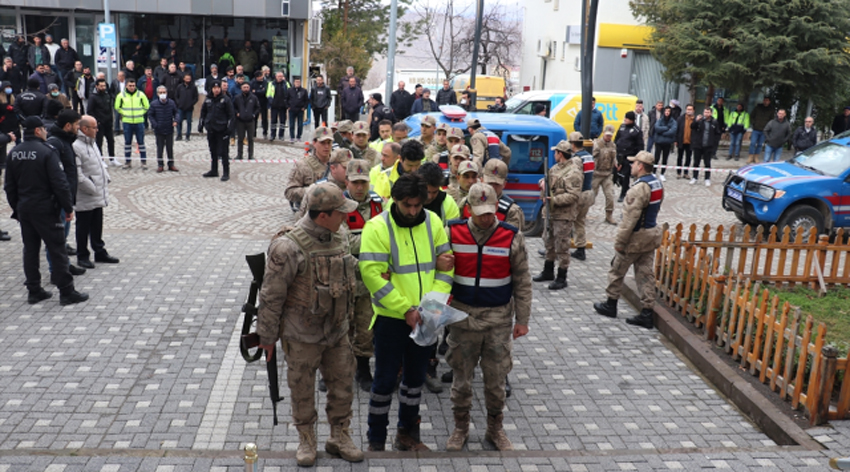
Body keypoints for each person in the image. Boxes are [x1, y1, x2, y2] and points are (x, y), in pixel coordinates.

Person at [257, 182, 363, 467]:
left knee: (343, 387)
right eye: (340, 212)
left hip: (337, 332)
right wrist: (266, 338)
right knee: (302, 389)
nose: (346, 217)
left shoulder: (338, 234)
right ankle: (307, 439)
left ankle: (339, 436)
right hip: (302, 335)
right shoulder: (288, 246)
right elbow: (270, 296)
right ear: (323, 214)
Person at [359, 171, 454, 452]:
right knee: (385, 381)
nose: (413, 211)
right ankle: (376, 439)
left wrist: (431, 309)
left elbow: (446, 269)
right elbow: (372, 276)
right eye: (407, 205)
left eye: (417, 205)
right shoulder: (377, 228)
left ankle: (408, 435)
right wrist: (406, 309)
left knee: (414, 381)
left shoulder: (433, 221)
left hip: (425, 318)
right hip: (391, 319)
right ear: (395, 200)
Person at [445, 182, 531, 452]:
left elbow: (523, 281)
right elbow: (438, 276)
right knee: (461, 381)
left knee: (496, 381)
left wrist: (523, 320)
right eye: (479, 212)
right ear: (468, 208)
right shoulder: (452, 232)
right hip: (462, 317)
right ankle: (460, 428)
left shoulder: (511, 236)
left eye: (490, 212)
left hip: (498, 319)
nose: (485, 217)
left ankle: (495, 429)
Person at [4, 116, 89, 306]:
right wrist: (68, 207)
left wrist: (17, 208)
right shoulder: (47, 152)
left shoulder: (14, 153)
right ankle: (66, 291)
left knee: (30, 250)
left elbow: (9, 186)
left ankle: (34, 290)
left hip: (25, 209)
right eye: (43, 128)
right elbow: (59, 184)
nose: (46, 131)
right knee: (57, 248)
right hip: (46, 209)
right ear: (37, 130)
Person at [594, 150, 663, 330]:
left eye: (633, 163)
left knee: (617, 269)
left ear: (640, 166)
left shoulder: (639, 188)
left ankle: (611, 304)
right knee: (645, 273)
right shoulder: (657, 183)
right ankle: (647, 312)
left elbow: (629, 220)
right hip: (651, 233)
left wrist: (620, 242)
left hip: (636, 237)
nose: (631, 166)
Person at [340, 159, 385, 393]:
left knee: (366, 329)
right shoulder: (338, 205)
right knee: (340, 328)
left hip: (369, 283)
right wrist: (373, 243)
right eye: (355, 182)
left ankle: (363, 367)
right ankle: (335, 370)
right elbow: (343, 242)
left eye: (364, 182)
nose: (360, 187)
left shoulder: (380, 204)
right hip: (344, 279)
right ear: (347, 181)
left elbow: (389, 235)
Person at [533, 140, 583, 291]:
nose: (554, 155)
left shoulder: (574, 172)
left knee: (562, 246)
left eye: (555, 152)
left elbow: (573, 195)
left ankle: (562, 277)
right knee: (549, 242)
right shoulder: (555, 168)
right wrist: (543, 183)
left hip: (563, 215)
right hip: (550, 213)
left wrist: (554, 199)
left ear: (560, 154)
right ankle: (548, 271)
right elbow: (550, 183)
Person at [72, 115, 120, 268]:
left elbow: (100, 163)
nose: (97, 130)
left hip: (97, 192)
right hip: (86, 195)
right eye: (94, 127)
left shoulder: (92, 143)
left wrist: (106, 178)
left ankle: (99, 251)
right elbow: (78, 175)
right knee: (83, 227)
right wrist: (93, 188)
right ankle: (82, 255)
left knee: (97, 224)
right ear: (85, 129)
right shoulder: (76, 146)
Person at [285, 126, 333, 212]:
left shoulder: (337, 162)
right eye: (322, 143)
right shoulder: (302, 165)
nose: (326, 146)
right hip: (310, 211)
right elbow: (289, 192)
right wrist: (312, 191)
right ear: (314, 143)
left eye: (329, 142)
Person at [198, 80, 235, 181]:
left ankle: (226, 172)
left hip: (222, 129)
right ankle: (214, 170)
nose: (216, 90)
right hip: (211, 129)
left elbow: (231, 115)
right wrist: (201, 124)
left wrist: (229, 129)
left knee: (223, 152)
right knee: (213, 151)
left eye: (218, 88)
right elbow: (203, 112)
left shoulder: (226, 100)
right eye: (214, 88)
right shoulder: (208, 99)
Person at [566, 132, 594, 262]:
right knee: (580, 221)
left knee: (566, 220)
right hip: (588, 192)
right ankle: (580, 249)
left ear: (572, 144)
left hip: (579, 194)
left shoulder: (576, 159)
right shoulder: (589, 156)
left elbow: (575, 178)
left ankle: (558, 248)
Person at [114, 78, 149, 169]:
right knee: (127, 143)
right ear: (126, 86)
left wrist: (141, 113)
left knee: (141, 143)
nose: (132, 87)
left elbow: (146, 106)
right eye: (130, 86)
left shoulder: (140, 94)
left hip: (139, 121)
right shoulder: (121, 95)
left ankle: (143, 162)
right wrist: (124, 113)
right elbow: (117, 107)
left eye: (133, 86)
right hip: (127, 122)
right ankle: (128, 161)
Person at [614, 111, 644, 202]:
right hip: (619, 154)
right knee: (616, 174)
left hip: (629, 156)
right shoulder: (622, 127)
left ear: (631, 120)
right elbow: (617, 139)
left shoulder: (636, 130)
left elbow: (640, 145)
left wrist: (637, 159)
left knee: (625, 175)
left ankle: (623, 193)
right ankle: (623, 187)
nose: (625, 120)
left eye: (626, 119)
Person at [148, 85, 179, 173]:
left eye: (164, 92)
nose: (163, 94)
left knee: (170, 148)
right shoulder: (154, 104)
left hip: (169, 128)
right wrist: (155, 124)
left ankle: (171, 164)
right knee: (160, 148)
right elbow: (150, 115)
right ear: (157, 94)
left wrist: (176, 120)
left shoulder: (171, 103)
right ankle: (160, 165)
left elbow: (176, 112)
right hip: (159, 129)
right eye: (161, 93)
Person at [592, 125, 618, 225]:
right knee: (591, 197)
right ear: (603, 133)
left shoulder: (613, 145)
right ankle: (582, 213)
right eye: (607, 135)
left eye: (610, 136)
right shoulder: (596, 144)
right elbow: (592, 157)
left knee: (610, 195)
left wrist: (616, 163)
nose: (608, 137)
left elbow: (614, 156)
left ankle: (609, 215)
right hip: (596, 174)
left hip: (607, 174)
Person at [690, 107, 721, 186]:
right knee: (696, 162)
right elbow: (692, 126)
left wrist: (714, 144)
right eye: (705, 112)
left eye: (708, 112)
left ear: (711, 113)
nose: (706, 114)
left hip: (708, 146)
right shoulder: (700, 121)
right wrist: (696, 120)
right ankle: (694, 177)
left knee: (707, 163)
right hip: (698, 145)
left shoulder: (714, 122)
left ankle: (707, 178)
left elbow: (717, 134)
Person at [87, 79, 115, 160]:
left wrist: (111, 119)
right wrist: (96, 121)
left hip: (108, 123)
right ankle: (100, 158)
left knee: (111, 141)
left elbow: (110, 108)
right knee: (99, 142)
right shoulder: (93, 97)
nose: (103, 87)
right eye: (101, 86)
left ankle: (112, 158)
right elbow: (90, 111)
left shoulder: (107, 95)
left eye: (104, 86)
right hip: (99, 123)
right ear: (96, 86)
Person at [233, 81, 260, 159]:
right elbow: (234, 107)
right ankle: (239, 154)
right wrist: (237, 113)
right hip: (240, 121)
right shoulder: (237, 97)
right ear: (241, 88)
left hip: (250, 121)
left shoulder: (254, 97)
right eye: (244, 87)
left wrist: (254, 114)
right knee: (240, 138)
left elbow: (258, 107)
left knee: (251, 139)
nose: (246, 89)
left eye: (247, 87)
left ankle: (250, 155)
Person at [652, 106, 677, 181]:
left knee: (665, 159)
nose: (667, 112)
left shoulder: (673, 121)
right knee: (656, 158)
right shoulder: (660, 120)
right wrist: (666, 128)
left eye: (668, 111)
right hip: (659, 142)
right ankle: (653, 172)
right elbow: (656, 128)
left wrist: (662, 132)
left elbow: (673, 131)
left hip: (667, 143)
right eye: (666, 111)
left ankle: (662, 174)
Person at [748, 97, 775, 164]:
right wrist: (753, 123)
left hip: (764, 130)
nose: (765, 102)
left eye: (767, 100)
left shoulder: (771, 110)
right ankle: (750, 156)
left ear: (769, 102)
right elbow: (751, 116)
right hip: (756, 129)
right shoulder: (758, 108)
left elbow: (772, 120)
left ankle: (756, 156)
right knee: (752, 143)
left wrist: (768, 128)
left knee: (760, 144)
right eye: (764, 100)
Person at [174, 73, 198, 142]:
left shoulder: (193, 87)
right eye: (187, 78)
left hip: (189, 108)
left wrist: (191, 104)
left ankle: (188, 135)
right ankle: (179, 135)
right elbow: (176, 96)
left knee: (189, 122)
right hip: (181, 107)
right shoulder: (179, 87)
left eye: (189, 78)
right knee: (179, 121)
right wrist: (178, 103)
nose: (188, 80)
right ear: (184, 79)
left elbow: (196, 97)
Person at [266, 71, 289, 141]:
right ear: (276, 77)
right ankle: (273, 135)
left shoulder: (286, 84)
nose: (280, 78)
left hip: (283, 106)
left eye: (281, 76)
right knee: (273, 121)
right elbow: (268, 94)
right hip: (274, 105)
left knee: (282, 121)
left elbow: (289, 93)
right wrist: (271, 102)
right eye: (279, 76)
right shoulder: (271, 84)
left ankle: (281, 135)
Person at [675, 104, 695, 180]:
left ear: (693, 110)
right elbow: (677, 130)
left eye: (690, 109)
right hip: (681, 141)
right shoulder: (680, 118)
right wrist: (676, 140)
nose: (689, 111)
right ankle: (679, 172)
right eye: (688, 109)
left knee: (688, 158)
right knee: (679, 157)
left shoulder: (695, 119)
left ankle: (686, 172)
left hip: (690, 142)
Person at [286, 77, 308, 143]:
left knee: (300, 124)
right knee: (291, 124)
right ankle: (292, 137)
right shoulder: (289, 90)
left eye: (298, 82)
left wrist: (304, 107)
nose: (297, 83)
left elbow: (306, 100)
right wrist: (288, 106)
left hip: (300, 109)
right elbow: (286, 99)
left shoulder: (304, 91)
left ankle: (299, 136)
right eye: (296, 82)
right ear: (294, 83)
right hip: (292, 109)